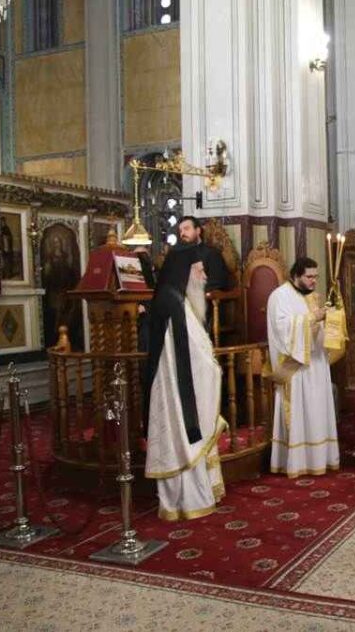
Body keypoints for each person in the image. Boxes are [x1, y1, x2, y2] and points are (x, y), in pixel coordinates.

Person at [144, 215, 231, 521]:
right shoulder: (178, 309)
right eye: (199, 270)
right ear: (185, 272)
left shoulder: (172, 302)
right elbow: (196, 360)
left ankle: (184, 498)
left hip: (176, 394)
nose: (203, 275)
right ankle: (189, 498)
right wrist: (214, 369)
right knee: (184, 438)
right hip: (181, 399)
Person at [266, 257, 340, 477]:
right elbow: (282, 329)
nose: (313, 281)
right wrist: (312, 318)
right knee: (300, 413)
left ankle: (320, 458)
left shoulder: (312, 296)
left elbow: (319, 327)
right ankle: (298, 463)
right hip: (296, 368)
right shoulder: (279, 296)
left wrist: (331, 319)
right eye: (309, 277)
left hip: (317, 364)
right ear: (296, 275)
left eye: (316, 277)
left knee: (317, 411)